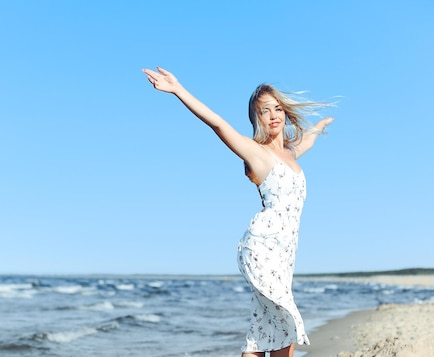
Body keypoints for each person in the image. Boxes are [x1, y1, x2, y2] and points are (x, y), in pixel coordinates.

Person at [142, 67, 334, 357]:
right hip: (263, 246)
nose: (273, 115)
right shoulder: (258, 153)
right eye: (264, 111)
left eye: (278, 109)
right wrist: (178, 90)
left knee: (265, 330)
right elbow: (218, 124)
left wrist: (319, 127)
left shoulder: (289, 154)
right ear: (256, 118)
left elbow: (305, 140)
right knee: (286, 321)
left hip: (284, 252)